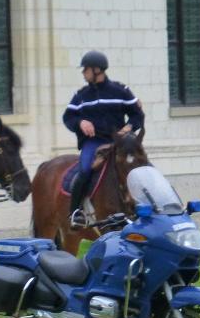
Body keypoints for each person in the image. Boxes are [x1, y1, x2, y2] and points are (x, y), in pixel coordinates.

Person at [62, 50, 144, 229]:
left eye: (86, 70)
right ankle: (75, 212)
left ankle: (147, 207)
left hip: (119, 143)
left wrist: (129, 127)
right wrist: (80, 122)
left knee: (139, 166)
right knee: (84, 171)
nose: (83, 73)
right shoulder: (81, 95)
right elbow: (68, 117)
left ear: (97, 70)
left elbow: (137, 115)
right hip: (94, 143)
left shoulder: (121, 91)